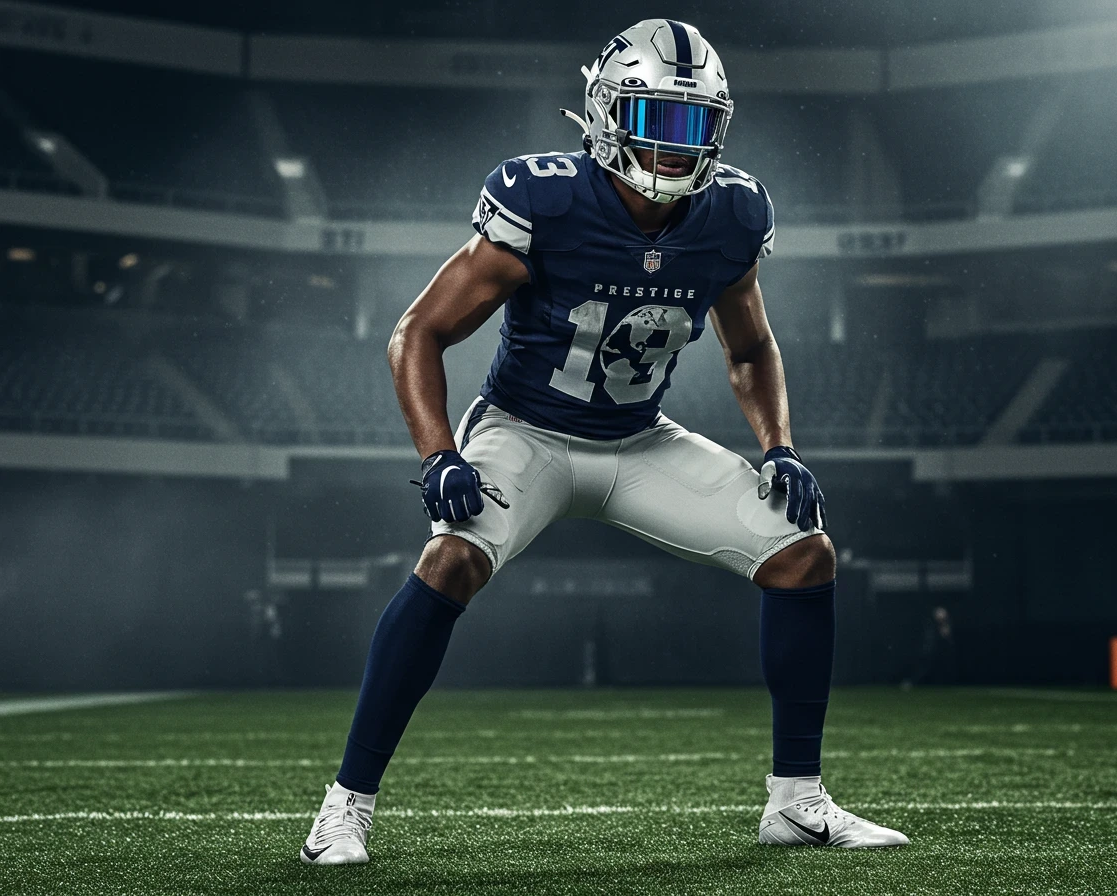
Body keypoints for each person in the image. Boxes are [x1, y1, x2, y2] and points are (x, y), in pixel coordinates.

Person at [300, 19, 909, 863]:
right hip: (526, 433)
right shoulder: (542, 198)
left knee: (805, 553)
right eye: (656, 118)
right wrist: (439, 454)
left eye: (694, 123)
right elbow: (418, 333)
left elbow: (751, 348)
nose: (673, 145)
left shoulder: (732, 212)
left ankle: (797, 804)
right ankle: (344, 807)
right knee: (450, 561)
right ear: (605, 112)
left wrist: (780, 445)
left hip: (637, 440)